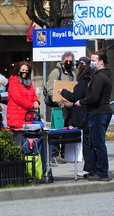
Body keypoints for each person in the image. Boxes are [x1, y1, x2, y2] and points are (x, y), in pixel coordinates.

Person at [75, 50, 112, 182]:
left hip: (98, 112)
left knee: (98, 144)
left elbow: (94, 96)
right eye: (90, 60)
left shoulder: (100, 77)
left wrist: (81, 101)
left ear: (101, 62)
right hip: (100, 112)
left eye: (94, 60)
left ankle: (102, 172)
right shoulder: (102, 75)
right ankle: (95, 171)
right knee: (94, 143)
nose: (91, 63)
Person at [58, 56, 92, 177]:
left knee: (87, 144)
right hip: (88, 115)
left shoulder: (83, 81)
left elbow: (75, 96)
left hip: (84, 116)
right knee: (90, 143)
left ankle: (88, 168)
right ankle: (90, 168)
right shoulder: (90, 79)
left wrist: (63, 92)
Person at [45, 51, 76, 164]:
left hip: (71, 105)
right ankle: (55, 154)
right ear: (62, 60)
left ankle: (65, 153)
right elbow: (50, 89)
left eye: (70, 60)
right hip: (61, 105)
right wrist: (58, 101)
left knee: (68, 131)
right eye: (66, 60)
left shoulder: (73, 72)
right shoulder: (56, 72)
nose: (69, 62)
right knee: (58, 130)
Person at [7, 61, 40, 143]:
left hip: (28, 117)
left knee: (28, 143)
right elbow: (18, 98)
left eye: (26, 70)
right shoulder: (13, 81)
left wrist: (36, 101)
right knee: (19, 143)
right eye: (23, 70)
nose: (24, 72)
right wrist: (32, 105)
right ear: (18, 71)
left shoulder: (29, 82)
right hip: (17, 118)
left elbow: (33, 94)